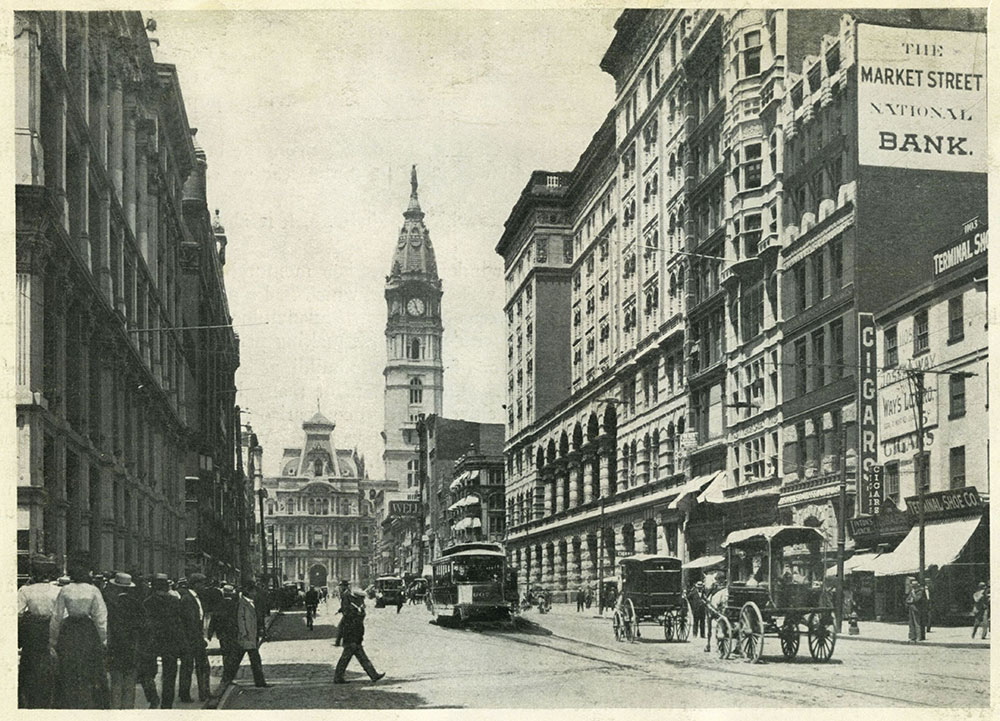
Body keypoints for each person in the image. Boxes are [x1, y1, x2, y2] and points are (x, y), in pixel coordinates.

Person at [48, 556, 110, 708]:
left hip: (69, 630)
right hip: (87, 631)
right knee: (89, 669)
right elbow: (100, 617)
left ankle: (69, 702)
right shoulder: (93, 590)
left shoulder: (65, 590)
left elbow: (57, 616)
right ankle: (88, 703)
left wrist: (53, 640)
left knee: (68, 668)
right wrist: (103, 640)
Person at [17, 565, 60, 708]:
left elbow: (18, 612)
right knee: (50, 664)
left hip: (33, 632)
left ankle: (30, 699)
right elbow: (62, 614)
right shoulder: (57, 590)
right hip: (51, 629)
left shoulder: (25, 591)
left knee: (30, 665)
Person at [141, 573, 185, 708]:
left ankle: (153, 698)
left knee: (147, 673)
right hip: (171, 642)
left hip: (151, 641)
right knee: (169, 676)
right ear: (167, 586)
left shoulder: (147, 602)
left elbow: (144, 623)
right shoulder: (175, 601)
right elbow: (180, 622)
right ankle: (167, 705)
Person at [105, 572, 146, 709]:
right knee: (130, 684)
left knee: (116, 683)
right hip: (132, 648)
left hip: (115, 648)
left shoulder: (111, 604)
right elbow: (144, 627)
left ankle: (115, 712)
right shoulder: (137, 604)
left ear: (116, 587)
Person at [221, 581, 268, 688]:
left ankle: (259, 682)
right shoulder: (242, 603)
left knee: (247, 659)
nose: (256, 593)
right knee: (239, 660)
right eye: (254, 591)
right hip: (245, 637)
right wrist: (243, 633)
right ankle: (226, 680)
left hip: (251, 636)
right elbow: (240, 619)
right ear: (249, 592)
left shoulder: (251, 603)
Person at [334, 587, 385, 684]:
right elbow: (346, 624)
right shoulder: (352, 611)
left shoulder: (355, 609)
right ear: (358, 599)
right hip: (352, 637)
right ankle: (338, 677)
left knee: (360, 657)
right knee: (347, 658)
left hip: (356, 638)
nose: (363, 601)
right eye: (361, 599)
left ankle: (373, 675)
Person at [177, 577, 210, 703]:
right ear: (195, 584)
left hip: (195, 638)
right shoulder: (188, 599)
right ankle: (185, 694)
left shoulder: (196, 598)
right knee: (188, 667)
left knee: (201, 666)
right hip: (190, 639)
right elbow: (190, 622)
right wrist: (198, 639)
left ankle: (203, 693)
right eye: (202, 583)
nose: (204, 586)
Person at [208, 584, 239, 694]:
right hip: (233, 634)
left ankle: (226, 676)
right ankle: (229, 677)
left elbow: (213, 619)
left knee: (225, 654)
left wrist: (210, 633)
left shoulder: (219, 605)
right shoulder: (235, 605)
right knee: (232, 655)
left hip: (222, 634)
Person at [905, 577, 923, 643]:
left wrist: (913, 595)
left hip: (916, 609)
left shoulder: (919, 592)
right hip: (911, 608)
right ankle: (912, 637)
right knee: (911, 623)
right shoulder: (911, 592)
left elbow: (916, 600)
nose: (913, 587)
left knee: (917, 623)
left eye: (914, 586)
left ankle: (918, 637)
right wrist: (910, 601)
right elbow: (907, 600)